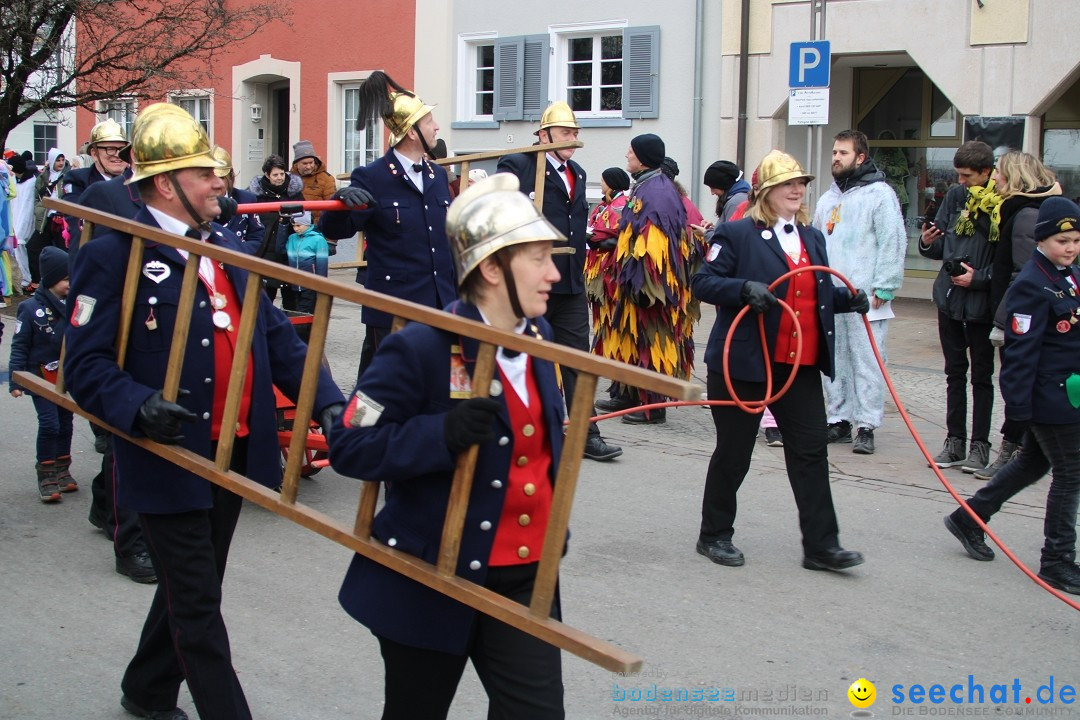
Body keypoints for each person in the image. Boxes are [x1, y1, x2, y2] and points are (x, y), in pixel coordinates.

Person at [62, 103, 345, 720]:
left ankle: (146, 689)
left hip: (233, 452)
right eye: (203, 173)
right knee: (198, 606)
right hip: (169, 458)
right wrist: (136, 407)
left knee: (193, 587)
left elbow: (273, 336)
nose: (221, 181)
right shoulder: (115, 254)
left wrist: (327, 400)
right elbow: (84, 366)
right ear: (166, 183)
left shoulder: (222, 244)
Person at [329, 173, 569, 719]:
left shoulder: (540, 338)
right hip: (432, 575)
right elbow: (348, 445)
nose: (554, 273)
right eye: (537, 258)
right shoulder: (419, 345)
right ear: (491, 268)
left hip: (524, 575)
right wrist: (438, 436)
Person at [691, 150, 870, 571]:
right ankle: (714, 535)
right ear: (765, 192)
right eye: (787, 184)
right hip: (746, 364)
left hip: (799, 365)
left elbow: (815, 292)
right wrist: (742, 289)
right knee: (734, 453)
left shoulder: (812, 237)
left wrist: (847, 300)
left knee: (810, 453)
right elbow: (703, 281)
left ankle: (822, 546)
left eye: (801, 184)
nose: (796, 190)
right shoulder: (736, 234)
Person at [943, 196, 1080, 595]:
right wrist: (1018, 410)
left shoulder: (1068, 275)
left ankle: (969, 518)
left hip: (1067, 393)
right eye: (1062, 240)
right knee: (1070, 475)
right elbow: (1018, 353)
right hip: (1047, 397)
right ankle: (1057, 561)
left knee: (1032, 466)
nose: (1070, 247)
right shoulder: (1031, 284)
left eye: (1075, 239)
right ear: (1042, 241)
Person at [496, 101, 621, 461]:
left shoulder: (578, 172)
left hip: (568, 284)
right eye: (566, 132)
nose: (573, 138)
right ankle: (522, 431)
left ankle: (585, 433)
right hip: (531, 282)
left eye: (576, 132)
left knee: (578, 360)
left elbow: (572, 222)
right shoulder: (519, 163)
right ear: (544, 134)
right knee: (526, 357)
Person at [319, 71, 458, 382]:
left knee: (445, 392)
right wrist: (341, 202)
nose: (436, 127)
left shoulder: (437, 177)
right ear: (411, 132)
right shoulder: (373, 176)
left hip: (442, 306)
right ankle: (355, 430)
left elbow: (445, 242)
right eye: (428, 122)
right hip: (396, 309)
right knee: (385, 392)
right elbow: (336, 229)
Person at [594, 133, 703, 425]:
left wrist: (648, 285)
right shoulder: (646, 186)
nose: (626, 156)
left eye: (630, 152)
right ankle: (629, 395)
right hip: (632, 279)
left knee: (652, 339)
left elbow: (658, 244)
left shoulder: (657, 191)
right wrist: (613, 244)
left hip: (651, 285)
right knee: (632, 337)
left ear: (642, 156)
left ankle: (653, 407)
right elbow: (636, 231)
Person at [812, 129, 907, 455]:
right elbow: (816, 243)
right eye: (835, 152)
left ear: (860, 157)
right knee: (833, 357)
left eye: (843, 153)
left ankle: (866, 424)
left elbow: (892, 239)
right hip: (831, 295)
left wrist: (886, 285)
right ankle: (837, 417)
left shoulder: (880, 195)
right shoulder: (827, 200)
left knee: (868, 359)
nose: (836, 158)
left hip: (867, 295)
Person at [977, 152, 1061, 480]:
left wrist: (1002, 322)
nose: (994, 178)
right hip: (1021, 320)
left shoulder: (1025, 214)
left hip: (1023, 324)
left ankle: (1013, 453)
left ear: (1013, 177)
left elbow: (1025, 277)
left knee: (1018, 385)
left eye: (998, 173)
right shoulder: (1019, 211)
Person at [919, 141, 1001, 471]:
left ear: (986, 172)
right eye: (958, 175)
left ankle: (980, 445)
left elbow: (1007, 263)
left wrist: (978, 278)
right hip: (949, 299)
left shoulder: (1001, 203)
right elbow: (943, 245)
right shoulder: (955, 197)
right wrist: (927, 243)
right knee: (954, 373)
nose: (962, 181)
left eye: (967, 175)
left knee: (981, 377)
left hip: (981, 303)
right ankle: (954, 442)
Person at [9, 246, 76, 502]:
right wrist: (16, 379)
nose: (72, 283)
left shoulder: (73, 306)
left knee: (66, 424)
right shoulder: (29, 309)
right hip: (39, 378)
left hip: (66, 378)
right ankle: (46, 473)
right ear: (50, 280)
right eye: (66, 279)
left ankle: (62, 468)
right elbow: (19, 345)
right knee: (50, 424)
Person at [584, 167, 630, 369]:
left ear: (611, 183)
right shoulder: (603, 206)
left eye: (602, 181)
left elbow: (617, 237)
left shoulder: (621, 206)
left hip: (609, 271)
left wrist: (596, 238)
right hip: (595, 270)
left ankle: (615, 359)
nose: (600, 184)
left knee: (612, 319)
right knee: (602, 320)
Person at [63, 119, 129, 246]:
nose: (117, 155)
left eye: (122, 149)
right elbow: (77, 221)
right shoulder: (78, 179)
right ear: (94, 153)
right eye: (110, 149)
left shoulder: (136, 182)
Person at [248, 154, 304, 301]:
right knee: (265, 297)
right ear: (267, 175)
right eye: (275, 175)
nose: (280, 178)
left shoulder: (294, 193)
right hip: (265, 248)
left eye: (282, 173)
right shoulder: (256, 195)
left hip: (289, 247)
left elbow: (304, 216)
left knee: (291, 297)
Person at [211, 146, 264, 255]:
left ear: (230, 177)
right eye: (210, 178)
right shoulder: (197, 201)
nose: (215, 184)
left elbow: (256, 236)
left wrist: (239, 254)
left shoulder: (246, 199)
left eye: (221, 178)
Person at [28, 148, 69, 285]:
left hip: (62, 220)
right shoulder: (42, 177)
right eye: (58, 160)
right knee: (33, 247)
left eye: (62, 160)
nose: (61, 163)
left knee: (63, 251)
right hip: (46, 218)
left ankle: (65, 281)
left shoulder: (68, 176)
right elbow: (36, 198)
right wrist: (39, 211)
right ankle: (37, 281)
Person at [283, 211, 329, 315]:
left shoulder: (318, 240)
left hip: (310, 284)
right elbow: (280, 249)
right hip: (295, 283)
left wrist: (321, 286)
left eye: (299, 225)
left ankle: (305, 330)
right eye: (293, 225)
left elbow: (322, 265)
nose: (296, 228)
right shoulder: (292, 238)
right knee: (297, 312)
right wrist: (282, 227)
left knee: (304, 312)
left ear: (308, 224)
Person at [290, 139, 337, 226]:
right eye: (304, 163)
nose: (308, 166)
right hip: (294, 230)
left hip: (318, 231)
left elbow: (332, 210)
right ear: (296, 163)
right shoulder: (289, 178)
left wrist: (329, 238)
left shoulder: (327, 179)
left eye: (311, 162)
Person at [702, 160, 752, 225]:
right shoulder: (739, 197)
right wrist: (712, 229)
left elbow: (730, 233)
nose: (712, 193)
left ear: (723, 184)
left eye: (713, 187)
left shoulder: (735, 202)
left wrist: (707, 233)